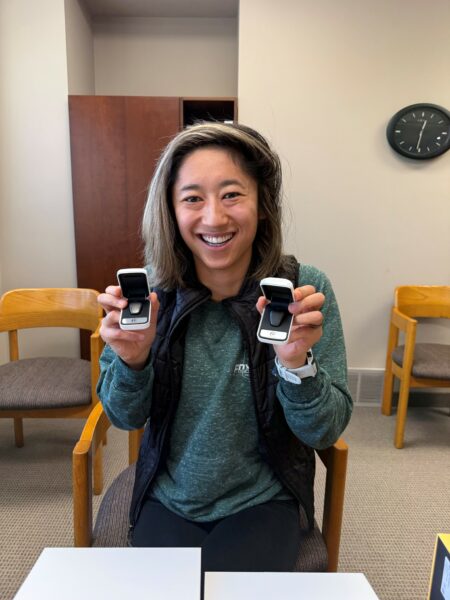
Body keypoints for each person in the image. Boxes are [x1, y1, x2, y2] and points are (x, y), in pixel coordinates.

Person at [97, 122, 352, 574]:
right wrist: (133, 361)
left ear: (263, 206)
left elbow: (324, 431)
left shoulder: (304, 291)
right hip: (167, 495)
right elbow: (124, 417)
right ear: (171, 211)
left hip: (264, 499)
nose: (214, 218)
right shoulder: (151, 295)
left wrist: (297, 365)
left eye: (232, 194)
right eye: (192, 198)